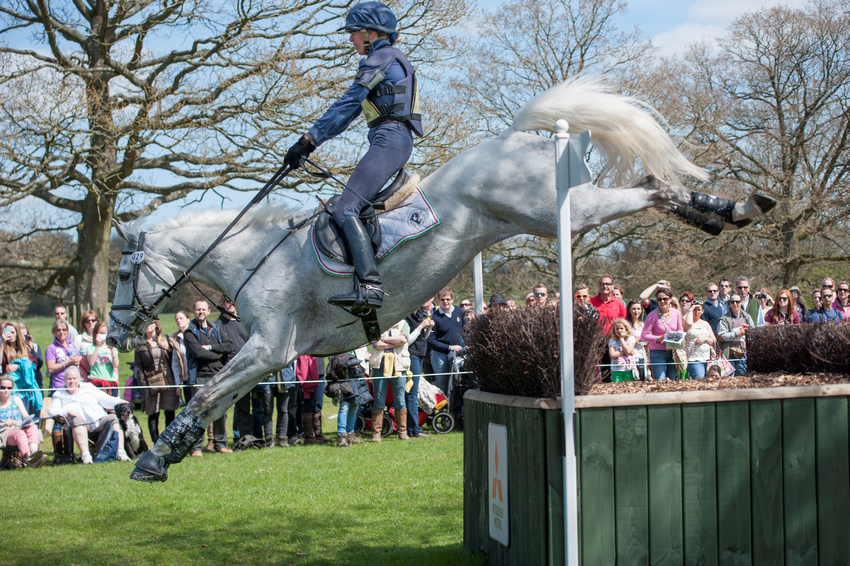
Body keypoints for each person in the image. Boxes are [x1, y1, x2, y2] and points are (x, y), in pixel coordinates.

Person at [284, 1, 421, 314]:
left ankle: (370, 285)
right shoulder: (389, 58)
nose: (350, 41)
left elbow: (348, 103)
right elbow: (348, 116)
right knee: (352, 206)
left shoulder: (380, 58)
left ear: (371, 34)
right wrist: (312, 144)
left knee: (346, 207)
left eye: (354, 34)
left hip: (390, 140)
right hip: (390, 139)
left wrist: (308, 138)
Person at [48, 367, 130, 463]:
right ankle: (86, 456)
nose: (72, 381)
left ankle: (120, 452)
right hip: (81, 425)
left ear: (79, 379)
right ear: (65, 380)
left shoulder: (88, 387)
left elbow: (106, 400)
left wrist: (122, 402)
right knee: (76, 421)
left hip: (99, 420)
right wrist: (68, 411)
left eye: (74, 378)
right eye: (69, 379)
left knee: (113, 418)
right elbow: (52, 411)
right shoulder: (59, 394)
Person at [184, 300, 233, 456]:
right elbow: (198, 353)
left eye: (203, 309)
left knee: (220, 411)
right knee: (198, 413)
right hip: (199, 376)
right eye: (198, 309)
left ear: (209, 311)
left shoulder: (216, 328)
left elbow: (229, 346)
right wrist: (218, 355)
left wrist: (211, 347)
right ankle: (196, 447)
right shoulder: (189, 332)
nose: (201, 312)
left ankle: (221, 444)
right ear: (193, 311)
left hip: (218, 375)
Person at [134, 321, 182, 446]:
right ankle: (157, 444)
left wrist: (169, 349)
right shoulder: (140, 344)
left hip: (168, 379)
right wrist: (144, 385)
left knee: (169, 410)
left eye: (151, 322)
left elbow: (177, 359)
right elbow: (138, 367)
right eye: (145, 323)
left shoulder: (165, 339)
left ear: (156, 325)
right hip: (151, 381)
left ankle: (169, 441)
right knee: (153, 412)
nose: (148, 325)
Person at [214, 295, 253, 442]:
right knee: (222, 408)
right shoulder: (217, 324)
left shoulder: (244, 321)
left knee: (244, 406)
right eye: (226, 301)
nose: (230, 304)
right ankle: (219, 441)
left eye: (231, 301)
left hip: (244, 370)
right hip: (226, 369)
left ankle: (244, 437)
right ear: (222, 304)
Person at [369, 319, 410, 441]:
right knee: (379, 400)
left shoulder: (404, 323)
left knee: (400, 400)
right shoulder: (376, 323)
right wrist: (394, 343)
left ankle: (402, 432)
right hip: (379, 366)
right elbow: (375, 344)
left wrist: (384, 340)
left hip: (399, 366)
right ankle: (376, 433)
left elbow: (403, 340)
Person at [405, 298, 434, 439]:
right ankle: (414, 429)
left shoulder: (419, 314)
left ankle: (413, 427)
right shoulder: (407, 318)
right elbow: (408, 340)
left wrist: (428, 329)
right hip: (412, 355)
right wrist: (421, 326)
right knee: (412, 393)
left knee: (413, 393)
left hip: (420, 354)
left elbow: (423, 337)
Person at [427, 288, 465, 397]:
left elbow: (465, 329)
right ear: (438, 301)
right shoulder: (434, 317)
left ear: (452, 299)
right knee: (443, 386)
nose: (445, 302)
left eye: (448, 299)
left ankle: (455, 411)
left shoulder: (458, 311)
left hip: (457, 354)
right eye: (442, 300)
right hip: (440, 356)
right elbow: (430, 341)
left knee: (458, 384)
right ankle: (443, 412)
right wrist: (449, 347)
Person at [0, 375, 44, 467]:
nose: (6, 390)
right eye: (3, 387)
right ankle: (29, 457)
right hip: (4, 432)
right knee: (20, 433)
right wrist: (4, 423)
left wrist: (28, 420)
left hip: (19, 427)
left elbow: (25, 416)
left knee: (32, 426)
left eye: (9, 388)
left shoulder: (16, 399)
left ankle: (34, 452)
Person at [640, 287, 682, 381]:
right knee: (660, 381)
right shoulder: (652, 315)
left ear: (670, 299)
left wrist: (678, 334)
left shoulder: (676, 313)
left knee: (671, 381)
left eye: (665, 299)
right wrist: (658, 338)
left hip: (673, 352)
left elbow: (680, 328)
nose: (662, 301)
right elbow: (644, 336)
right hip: (658, 353)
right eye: (659, 299)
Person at [591, 274, 627, 382]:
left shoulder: (619, 304)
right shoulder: (591, 302)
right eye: (602, 284)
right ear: (599, 286)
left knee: (610, 372)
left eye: (608, 284)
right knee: (595, 371)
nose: (605, 286)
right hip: (596, 342)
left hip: (613, 342)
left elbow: (624, 323)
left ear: (612, 286)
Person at [2, 321, 41, 414]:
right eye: (7, 331)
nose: (10, 335)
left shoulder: (24, 348)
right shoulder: (3, 348)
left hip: (25, 387)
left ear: (17, 333)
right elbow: (1, 364)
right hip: (11, 387)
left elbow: (34, 364)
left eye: (12, 332)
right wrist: (2, 342)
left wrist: (18, 366)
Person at [717, 294, 754, 375]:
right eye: (732, 302)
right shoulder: (724, 319)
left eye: (737, 301)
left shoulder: (747, 317)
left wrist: (748, 339)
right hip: (729, 354)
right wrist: (737, 334)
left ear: (741, 302)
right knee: (729, 379)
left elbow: (753, 332)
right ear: (729, 303)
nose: (735, 304)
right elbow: (721, 335)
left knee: (743, 378)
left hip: (744, 354)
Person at [84, 321, 120, 396]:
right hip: (97, 383)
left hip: (111, 383)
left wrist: (112, 348)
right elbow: (91, 362)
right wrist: (97, 346)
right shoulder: (90, 348)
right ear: (95, 334)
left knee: (112, 407)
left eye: (104, 333)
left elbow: (116, 364)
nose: (102, 336)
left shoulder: (112, 349)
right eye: (100, 333)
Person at [683, 300, 715, 378]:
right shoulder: (686, 323)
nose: (696, 312)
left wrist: (705, 339)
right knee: (699, 379)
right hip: (694, 359)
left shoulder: (705, 324)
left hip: (707, 359)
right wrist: (691, 309)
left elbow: (713, 341)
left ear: (702, 311)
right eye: (694, 310)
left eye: (699, 310)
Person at [171, 311, 192, 402]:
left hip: (199, 378)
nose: (178, 320)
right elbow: (175, 363)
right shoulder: (175, 339)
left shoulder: (197, 333)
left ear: (188, 320)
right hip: (186, 379)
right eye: (176, 319)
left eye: (181, 318)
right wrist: (178, 384)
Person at [18, 323, 44, 395]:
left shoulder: (34, 346)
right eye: (21, 335)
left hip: (36, 382)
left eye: (25, 335)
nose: (23, 338)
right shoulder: (14, 349)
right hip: (22, 384)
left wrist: (31, 348)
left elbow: (39, 364)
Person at [626, 300, 648, 380]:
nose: (636, 311)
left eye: (638, 309)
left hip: (642, 355)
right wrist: (637, 340)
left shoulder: (642, 324)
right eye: (634, 309)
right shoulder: (625, 324)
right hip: (630, 357)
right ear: (629, 310)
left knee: (642, 379)